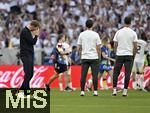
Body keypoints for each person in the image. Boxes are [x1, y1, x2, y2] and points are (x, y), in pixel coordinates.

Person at [112, 16, 138, 97]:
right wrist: (133, 55)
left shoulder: (118, 32)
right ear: (130, 23)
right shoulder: (133, 33)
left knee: (116, 73)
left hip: (119, 55)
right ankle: (125, 91)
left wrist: (116, 53)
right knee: (127, 73)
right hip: (129, 55)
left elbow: (115, 44)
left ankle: (114, 91)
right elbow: (135, 46)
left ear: (124, 22)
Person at [77, 19, 101, 96]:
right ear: (92, 25)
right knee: (95, 75)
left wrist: (80, 55)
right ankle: (95, 91)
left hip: (85, 56)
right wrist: (99, 57)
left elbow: (79, 47)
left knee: (83, 74)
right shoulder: (96, 34)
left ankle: (82, 91)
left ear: (85, 25)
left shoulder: (81, 34)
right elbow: (98, 47)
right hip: (94, 57)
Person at [18, 20, 40, 97]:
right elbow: (32, 42)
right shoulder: (25, 32)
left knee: (30, 74)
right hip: (26, 54)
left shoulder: (27, 31)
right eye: (35, 28)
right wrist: (36, 35)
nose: (35, 30)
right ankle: (23, 92)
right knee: (28, 73)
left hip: (28, 54)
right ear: (32, 26)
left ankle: (24, 91)